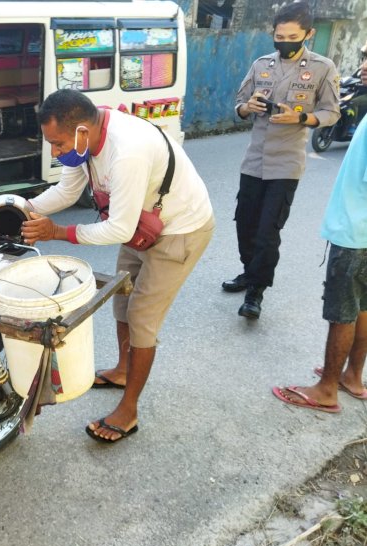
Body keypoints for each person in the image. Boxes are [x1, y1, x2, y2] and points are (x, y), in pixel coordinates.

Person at [20, 89, 214, 443]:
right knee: (123, 299)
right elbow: (65, 193)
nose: (55, 151)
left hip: (180, 229)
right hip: (141, 225)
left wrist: (57, 232)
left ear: (81, 130)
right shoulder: (85, 143)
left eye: (58, 143)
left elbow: (118, 229)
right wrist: (23, 208)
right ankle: (124, 370)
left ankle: (129, 410)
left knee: (142, 317)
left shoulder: (127, 153)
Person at [222, 1, 340, 319]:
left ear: (308, 34)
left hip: (286, 164)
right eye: (279, 34)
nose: (284, 40)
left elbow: (332, 112)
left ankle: (256, 291)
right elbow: (239, 101)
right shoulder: (261, 64)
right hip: (253, 161)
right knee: (244, 224)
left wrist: (302, 118)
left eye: (292, 35)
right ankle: (250, 271)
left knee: (267, 232)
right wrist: (249, 107)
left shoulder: (322, 67)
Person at [272, 61, 367, 414]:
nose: (365, 67)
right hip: (358, 232)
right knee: (361, 308)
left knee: (342, 311)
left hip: (356, 234)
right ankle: (352, 376)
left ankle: (327, 388)